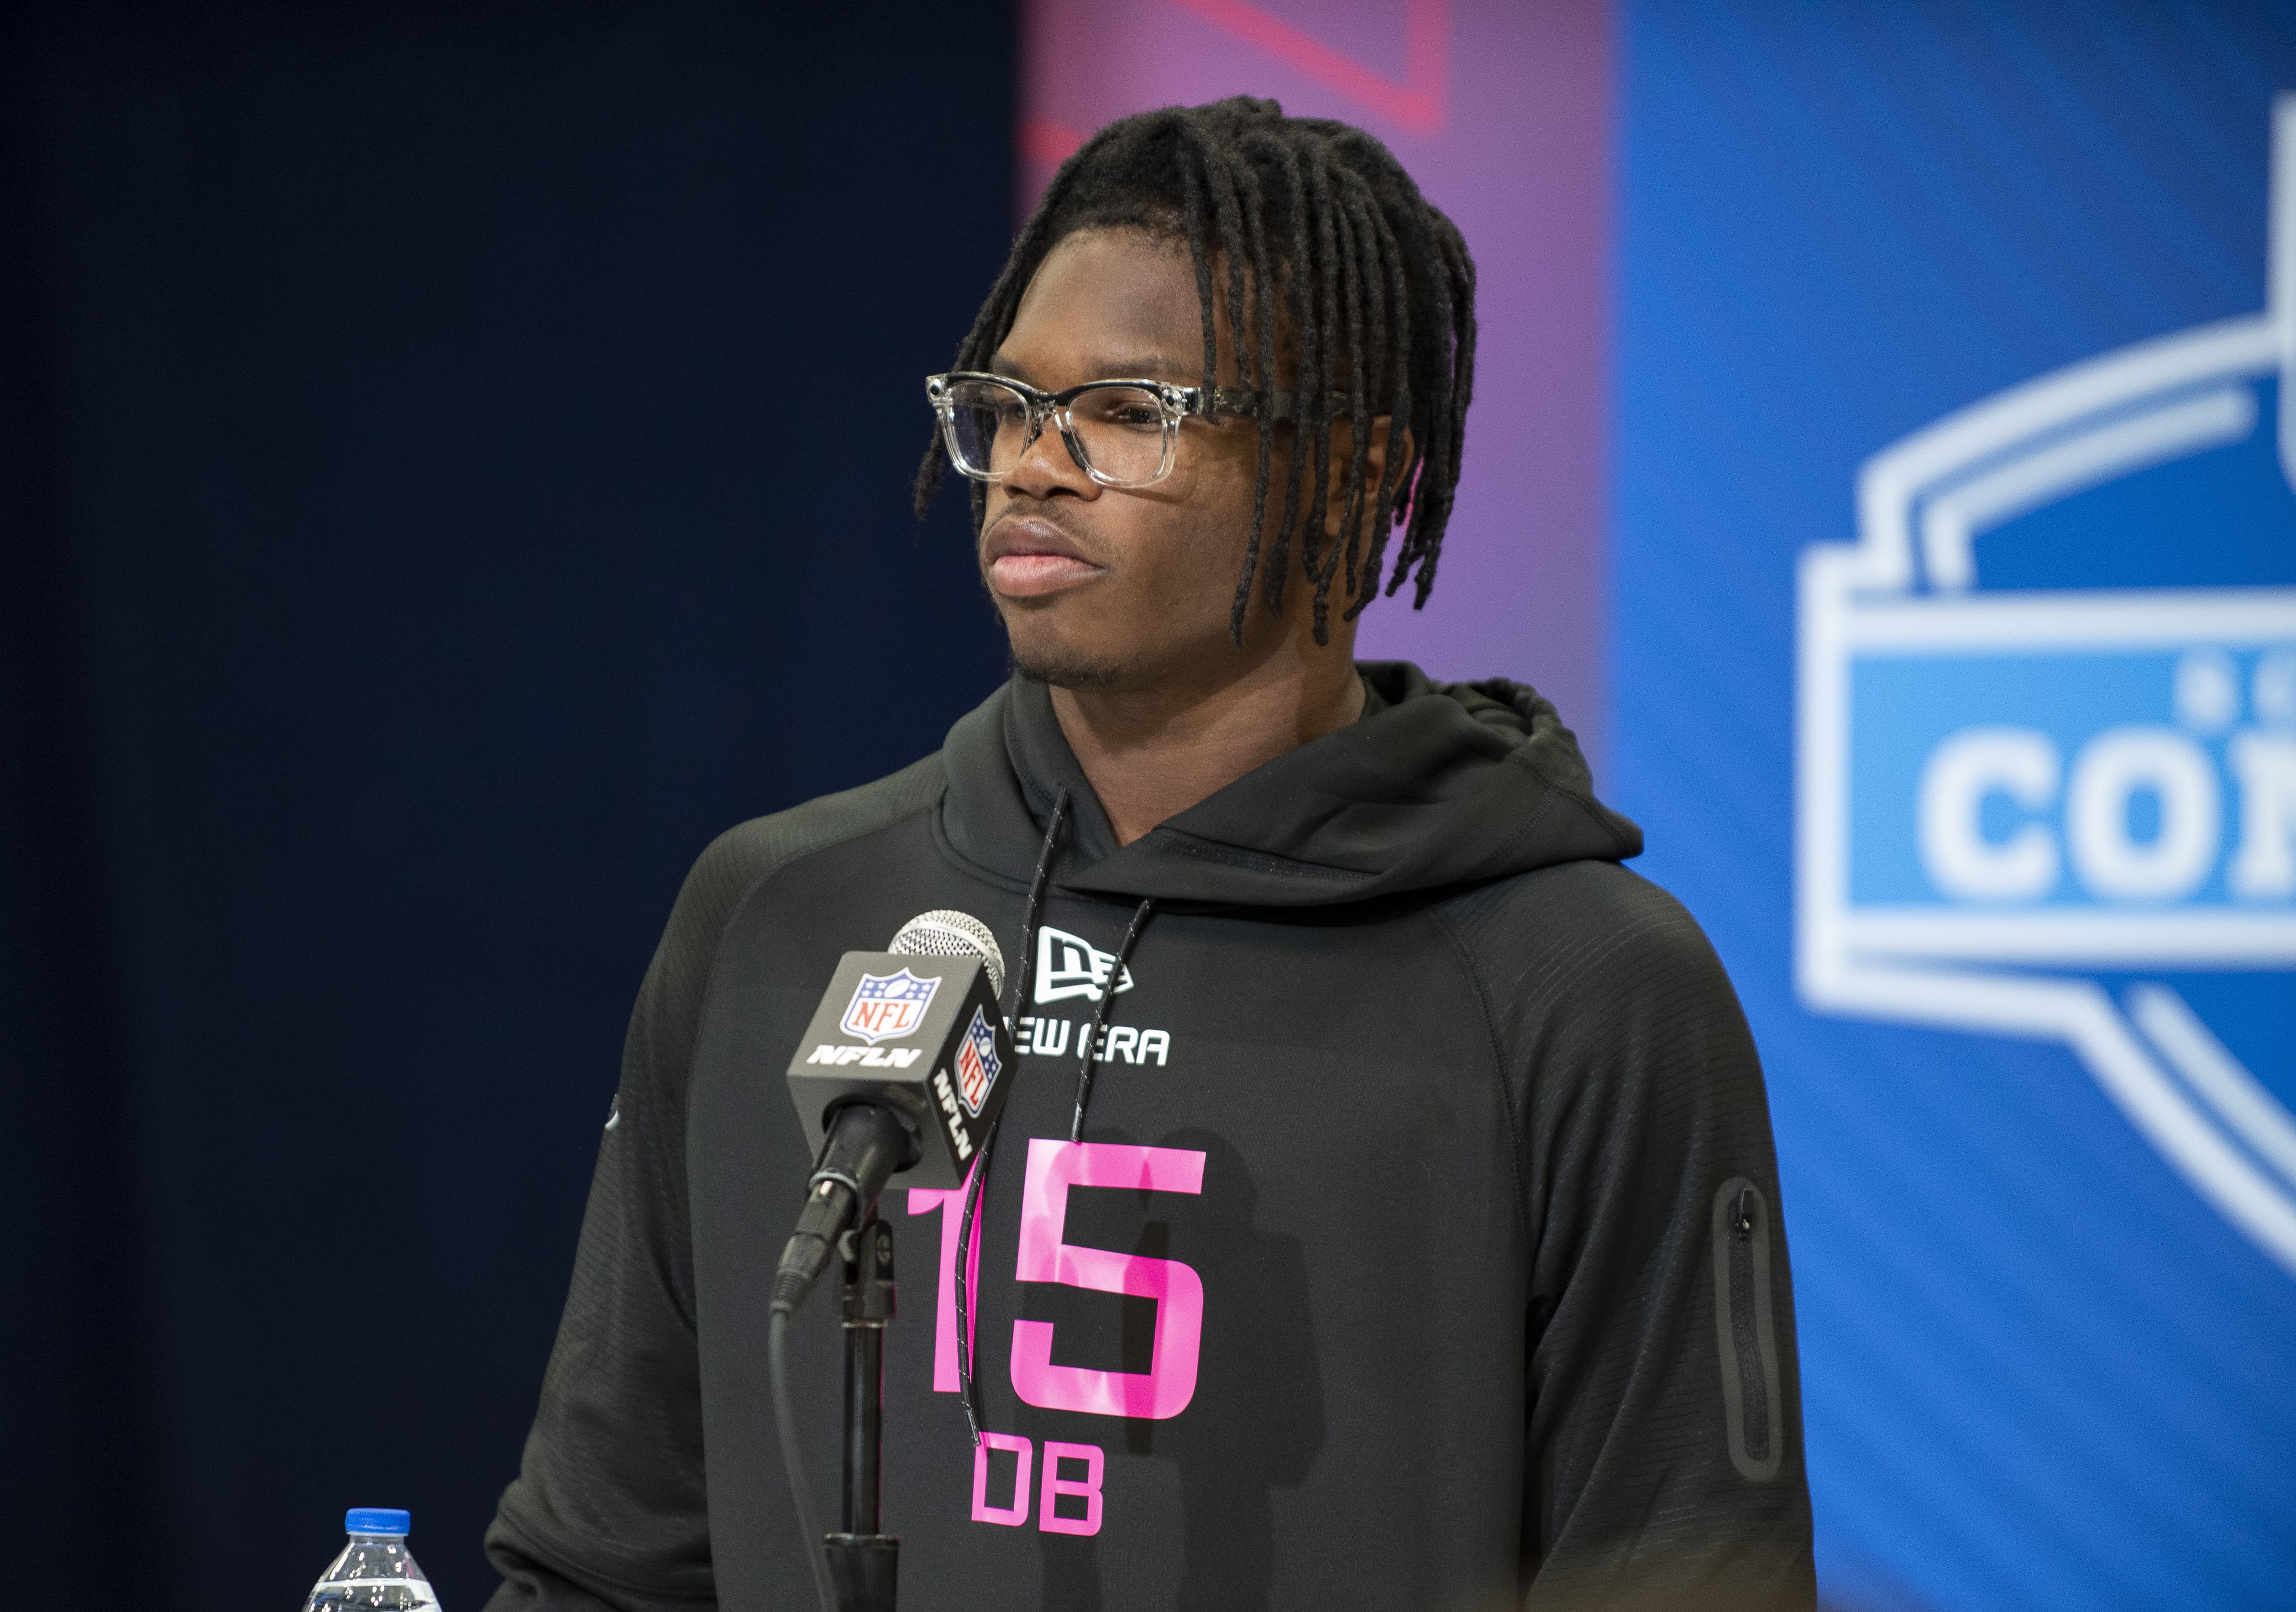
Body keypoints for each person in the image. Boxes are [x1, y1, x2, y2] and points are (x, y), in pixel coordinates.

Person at [482, 97, 1813, 1612]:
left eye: (1128, 411)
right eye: (1005, 401)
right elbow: (603, 1559)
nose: (1032, 465)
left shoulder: (1583, 985)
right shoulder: (777, 911)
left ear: (1355, 473)